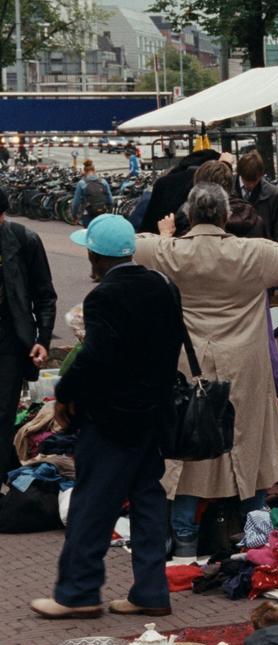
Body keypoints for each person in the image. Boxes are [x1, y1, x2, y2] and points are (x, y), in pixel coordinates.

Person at [30, 215, 182, 620]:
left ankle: (78, 592)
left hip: (113, 421)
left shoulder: (105, 298)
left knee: (91, 504)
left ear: (97, 256)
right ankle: (151, 592)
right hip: (153, 416)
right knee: (149, 502)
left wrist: (65, 392)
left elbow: (97, 359)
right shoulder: (162, 286)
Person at [134, 183, 278, 557]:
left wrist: (167, 236)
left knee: (191, 452)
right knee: (251, 450)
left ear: (190, 214)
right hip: (246, 370)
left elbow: (135, 246)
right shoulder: (251, 255)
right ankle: (258, 545)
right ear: (225, 215)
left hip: (193, 369)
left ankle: (185, 542)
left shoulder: (170, 253)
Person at [0, 189, 56, 476]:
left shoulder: (24, 241)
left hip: (10, 341)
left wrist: (42, 340)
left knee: (3, 414)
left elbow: (44, 295)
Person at [234, 150, 278, 245]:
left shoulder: (273, 194)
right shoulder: (226, 189)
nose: (250, 185)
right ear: (240, 174)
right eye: (246, 181)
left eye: (254, 181)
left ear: (261, 176)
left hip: (263, 251)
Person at [70, 159, 114, 227]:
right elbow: (110, 199)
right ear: (94, 170)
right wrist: (110, 211)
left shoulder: (81, 183)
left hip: (88, 213)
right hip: (102, 212)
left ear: (84, 171)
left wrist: (74, 216)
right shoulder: (103, 181)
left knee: (88, 233)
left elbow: (76, 203)